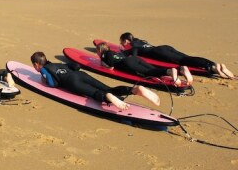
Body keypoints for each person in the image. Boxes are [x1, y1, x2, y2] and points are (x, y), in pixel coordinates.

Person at [30, 51, 160, 110]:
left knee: (93, 93)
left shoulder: (43, 70)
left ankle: (107, 97)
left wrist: (44, 79)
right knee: (109, 88)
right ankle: (134, 89)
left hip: (72, 82)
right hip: (81, 74)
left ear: (36, 64)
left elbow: (53, 84)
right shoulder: (58, 64)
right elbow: (75, 66)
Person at [120, 32, 235, 79]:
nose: (122, 44)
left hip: (161, 52)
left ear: (126, 41)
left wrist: (123, 53)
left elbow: (133, 56)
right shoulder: (139, 41)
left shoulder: (134, 45)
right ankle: (213, 64)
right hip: (164, 48)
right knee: (187, 58)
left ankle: (211, 66)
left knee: (184, 60)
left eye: (122, 42)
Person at [96, 43, 193, 87]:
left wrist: (103, 64)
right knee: (154, 70)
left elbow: (111, 66)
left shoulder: (105, 54)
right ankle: (180, 70)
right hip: (134, 58)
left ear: (100, 50)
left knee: (148, 73)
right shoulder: (114, 52)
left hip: (127, 63)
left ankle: (170, 71)